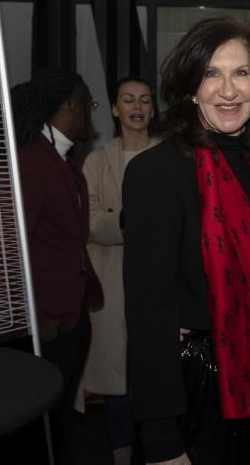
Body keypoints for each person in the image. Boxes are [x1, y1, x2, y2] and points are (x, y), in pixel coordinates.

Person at [122, 17, 250, 465]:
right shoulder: (155, 173)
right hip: (194, 390)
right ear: (190, 87)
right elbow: (148, 314)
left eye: (241, 72)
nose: (228, 90)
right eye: (211, 73)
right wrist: (161, 438)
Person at [13, 70, 103, 460]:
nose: (91, 114)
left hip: (70, 314)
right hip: (46, 323)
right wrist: (34, 317)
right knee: (41, 432)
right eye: (89, 104)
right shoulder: (32, 161)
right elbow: (6, 247)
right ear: (71, 105)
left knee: (60, 425)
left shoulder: (62, 160)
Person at [76, 76, 161, 464]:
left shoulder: (169, 157)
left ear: (153, 110)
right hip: (110, 280)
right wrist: (129, 219)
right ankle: (121, 455)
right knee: (116, 381)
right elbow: (89, 222)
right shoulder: (96, 161)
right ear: (114, 109)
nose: (137, 107)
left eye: (144, 100)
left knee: (156, 375)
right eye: (128, 100)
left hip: (158, 280)